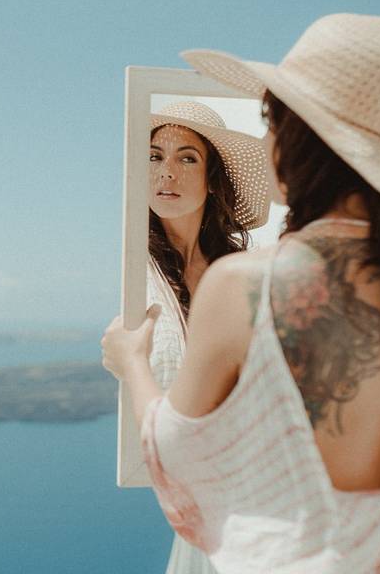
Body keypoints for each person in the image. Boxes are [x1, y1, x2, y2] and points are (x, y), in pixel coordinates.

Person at [102, 14, 380, 573]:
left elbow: (182, 462)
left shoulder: (243, 285)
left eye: (269, 121)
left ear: (295, 136)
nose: (264, 138)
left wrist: (132, 364)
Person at [144, 100, 270, 573]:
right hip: (197, 491)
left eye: (186, 157)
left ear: (211, 176)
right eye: (154, 156)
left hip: (253, 483)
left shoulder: (241, 273)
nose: (167, 173)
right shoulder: (136, 273)